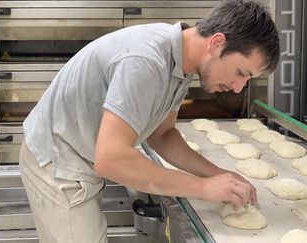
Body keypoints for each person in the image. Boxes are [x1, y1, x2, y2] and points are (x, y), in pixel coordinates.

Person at [19, 0, 280, 242]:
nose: (238, 88)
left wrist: (219, 175)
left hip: (80, 156)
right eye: (241, 73)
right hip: (59, 163)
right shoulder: (147, 61)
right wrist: (202, 187)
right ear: (217, 43)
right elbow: (111, 159)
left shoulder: (181, 64)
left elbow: (162, 135)